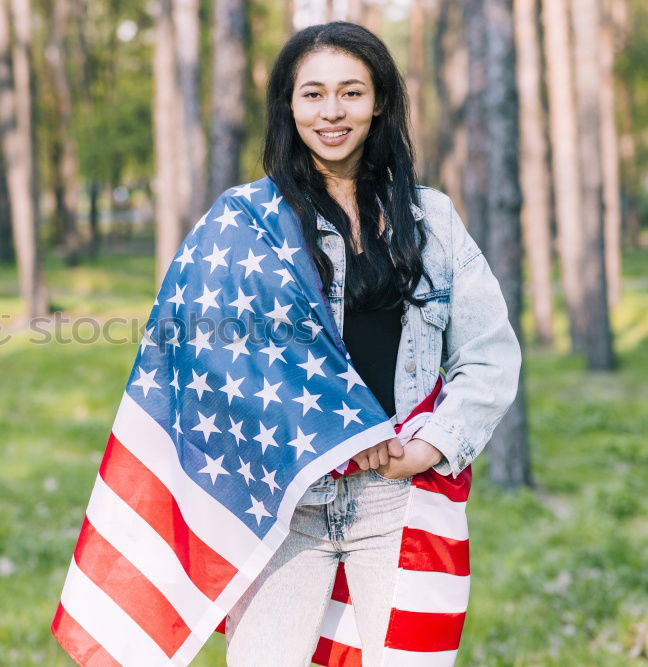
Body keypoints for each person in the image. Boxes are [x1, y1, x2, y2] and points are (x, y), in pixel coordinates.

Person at [223, 22, 521, 666]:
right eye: (313, 94)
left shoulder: (432, 219)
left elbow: (490, 354)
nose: (332, 112)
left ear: (379, 101)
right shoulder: (247, 223)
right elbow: (214, 364)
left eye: (351, 92)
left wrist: (435, 445)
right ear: (288, 105)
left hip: (399, 503)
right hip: (285, 508)